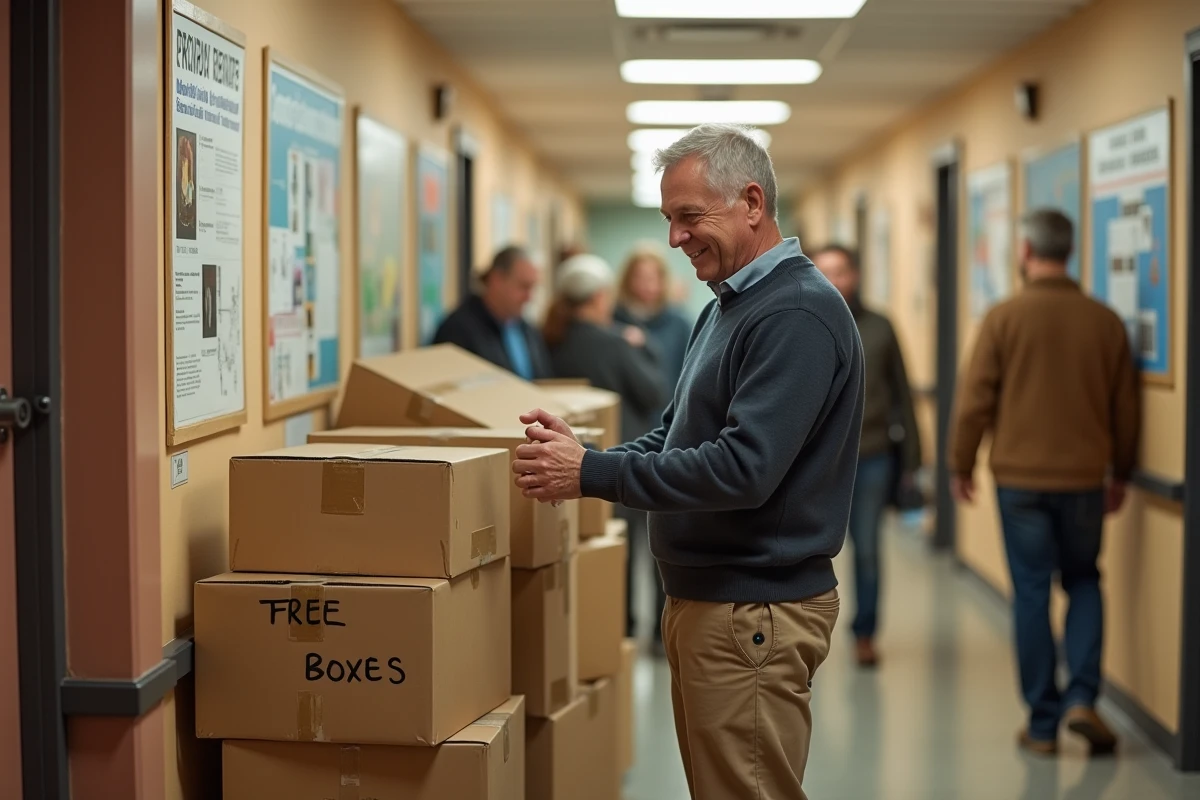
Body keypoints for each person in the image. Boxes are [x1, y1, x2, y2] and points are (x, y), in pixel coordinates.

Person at [511, 123, 864, 800]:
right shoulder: (727, 308)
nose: (676, 239)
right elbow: (674, 434)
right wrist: (586, 458)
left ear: (752, 203)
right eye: (669, 219)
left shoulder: (794, 314)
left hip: (752, 609)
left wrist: (590, 475)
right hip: (713, 602)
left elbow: (741, 469)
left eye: (689, 217)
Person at [948, 208, 1140, 757]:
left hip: (1020, 482)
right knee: (1083, 580)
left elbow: (975, 401)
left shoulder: (1004, 318)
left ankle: (1041, 723)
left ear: (1026, 253)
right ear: (1069, 251)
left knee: (1031, 592)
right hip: (1084, 480)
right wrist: (1121, 471)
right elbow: (1125, 409)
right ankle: (1083, 696)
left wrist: (961, 465)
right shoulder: (1105, 322)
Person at [813, 244, 921, 668]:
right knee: (811, 549)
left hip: (871, 455)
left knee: (869, 549)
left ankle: (865, 633)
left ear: (855, 275)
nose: (834, 280)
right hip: (817, 459)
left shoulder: (879, 327)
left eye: (841, 271)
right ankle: (808, 632)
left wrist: (913, 459)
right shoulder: (803, 324)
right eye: (825, 272)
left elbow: (903, 393)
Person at [613, 244, 693, 646]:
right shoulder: (611, 322)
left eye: (653, 278)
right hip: (627, 439)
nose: (646, 286)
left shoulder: (680, 324)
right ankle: (623, 624)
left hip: (673, 441)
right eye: (639, 278)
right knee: (624, 543)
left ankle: (663, 632)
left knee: (664, 543)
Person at [543, 252, 667, 454]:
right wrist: (645, 346)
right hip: (619, 450)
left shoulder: (550, 338)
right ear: (599, 297)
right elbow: (654, 395)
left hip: (568, 447)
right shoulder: (616, 344)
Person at [432, 245, 553, 379]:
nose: (529, 297)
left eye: (533, 288)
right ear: (497, 280)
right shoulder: (458, 330)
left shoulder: (528, 330)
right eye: (523, 287)